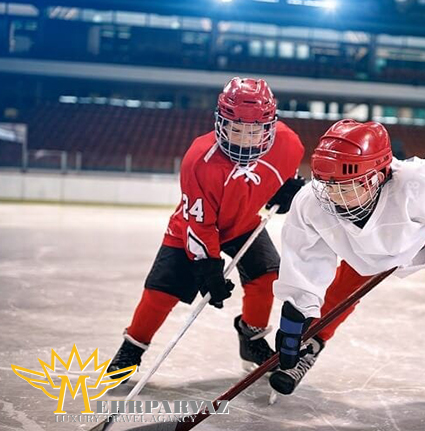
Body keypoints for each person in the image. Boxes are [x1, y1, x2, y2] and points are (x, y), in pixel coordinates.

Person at [269, 120, 425, 414]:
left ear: (378, 177)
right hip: (365, 252)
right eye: (329, 185)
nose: (335, 197)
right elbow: (304, 259)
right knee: (339, 292)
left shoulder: (418, 182)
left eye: (347, 187)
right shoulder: (313, 202)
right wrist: (295, 320)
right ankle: (309, 346)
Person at [107, 77, 305, 379]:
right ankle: (132, 346)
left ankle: (251, 339)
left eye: (253, 131)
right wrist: (208, 266)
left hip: (244, 224)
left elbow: (279, 183)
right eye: (235, 129)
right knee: (162, 291)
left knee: (267, 276)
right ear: (220, 123)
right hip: (192, 228)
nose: (243, 139)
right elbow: (200, 224)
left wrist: (285, 192)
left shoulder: (289, 145)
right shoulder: (199, 159)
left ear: (269, 127)